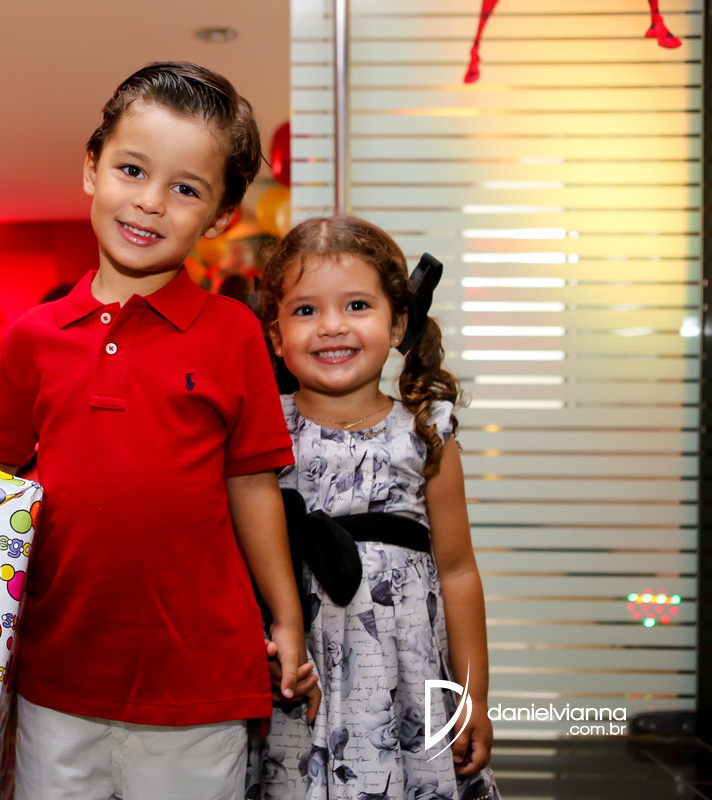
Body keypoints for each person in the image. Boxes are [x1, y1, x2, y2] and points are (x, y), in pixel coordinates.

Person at [0, 62, 310, 800]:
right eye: (132, 170)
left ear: (221, 216)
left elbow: (252, 485)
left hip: (199, 684)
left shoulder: (234, 333)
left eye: (186, 188)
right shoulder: (34, 337)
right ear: (92, 168)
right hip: (58, 675)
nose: (150, 201)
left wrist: (286, 615)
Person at [249, 215, 499, 800]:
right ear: (277, 335)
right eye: (305, 310)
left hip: (404, 680)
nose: (332, 326)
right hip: (293, 677)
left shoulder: (426, 433)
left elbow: (458, 571)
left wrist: (474, 697)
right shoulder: (261, 432)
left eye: (357, 305)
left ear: (398, 323)